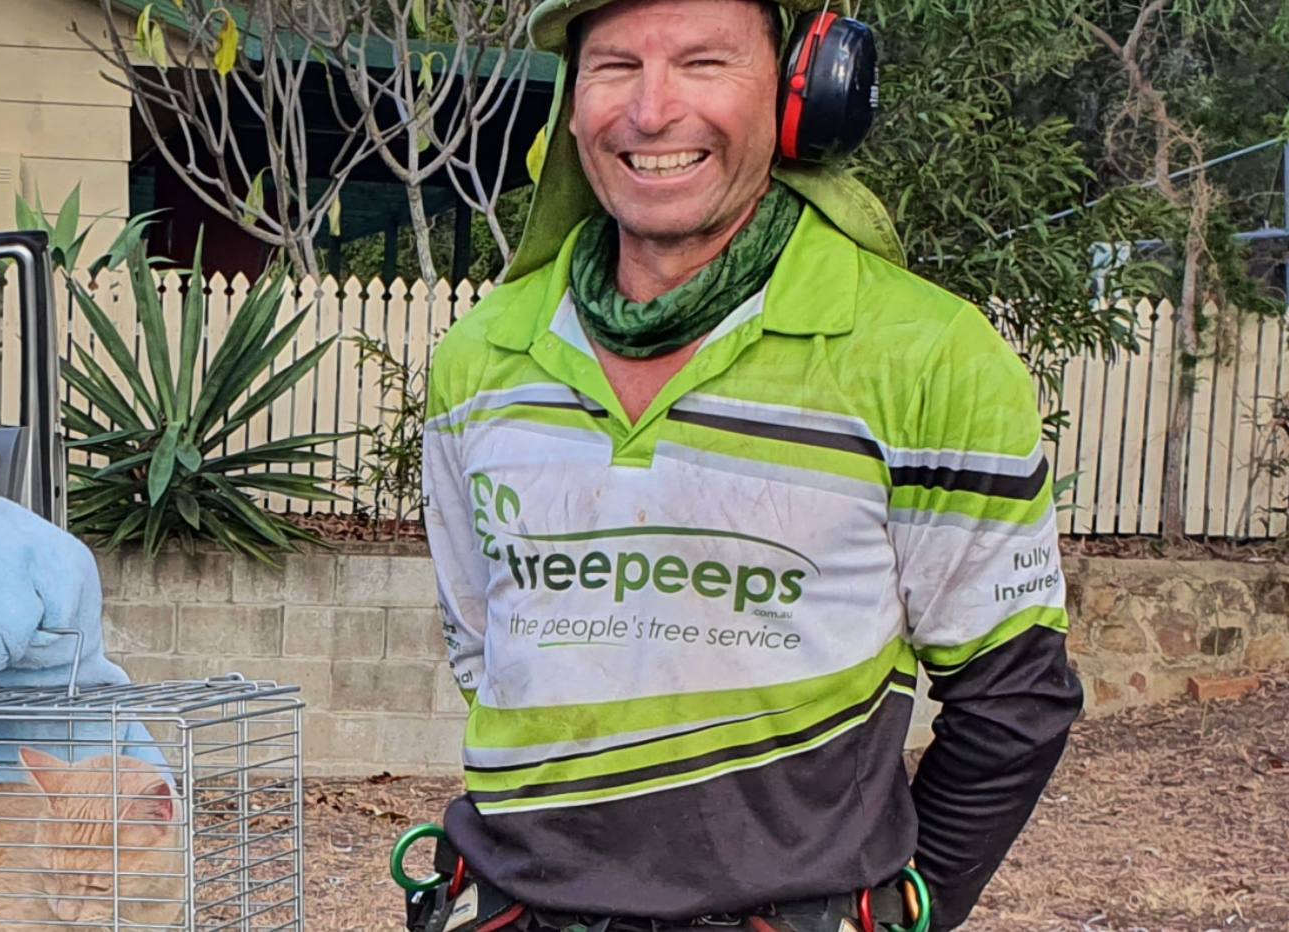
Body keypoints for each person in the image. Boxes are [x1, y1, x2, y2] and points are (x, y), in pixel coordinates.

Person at [409, 0, 1080, 930]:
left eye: (703, 62)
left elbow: (1013, 698)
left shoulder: (927, 356)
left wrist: (902, 912)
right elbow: (488, 652)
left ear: (801, 90)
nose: (651, 111)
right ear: (570, 103)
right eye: (615, 66)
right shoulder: (480, 358)